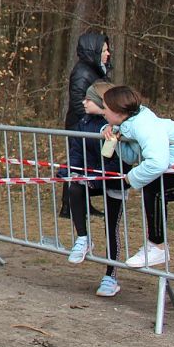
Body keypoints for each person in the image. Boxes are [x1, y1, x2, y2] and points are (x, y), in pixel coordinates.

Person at [99, 85, 174, 270]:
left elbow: (157, 163)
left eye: (105, 108)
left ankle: (157, 246)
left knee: (155, 189)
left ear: (117, 111)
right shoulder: (129, 124)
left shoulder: (144, 125)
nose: (103, 112)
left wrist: (130, 178)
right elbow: (131, 157)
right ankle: (157, 246)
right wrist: (113, 136)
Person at [63, 81, 128, 297]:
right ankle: (83, 238)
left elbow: (119, 160)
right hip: (93, 176)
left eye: (88, 99)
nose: (83, 102)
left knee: (112, 227)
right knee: (74, 187)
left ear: (101, 102)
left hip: (114, 180)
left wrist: (98, 177)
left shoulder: (119, 127)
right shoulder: (83, 122)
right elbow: (76, 150)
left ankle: (111, 276)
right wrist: (72, 172)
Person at [61, 32, 111, 218]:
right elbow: (78, 102)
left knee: (85, 164)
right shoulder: (82, 72)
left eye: (107, 50)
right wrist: (89, 124)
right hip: (79, 125)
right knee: (77, 164)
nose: (108, 54)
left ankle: (82, 203)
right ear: (94, 51)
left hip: (89, 124)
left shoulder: (96, 69)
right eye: (104, 50)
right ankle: (69, 206)